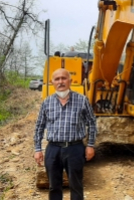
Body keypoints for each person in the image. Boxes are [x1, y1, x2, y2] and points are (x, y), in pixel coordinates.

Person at [34, 68, 97, 200]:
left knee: (76, 185)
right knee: (54, 186)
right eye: (57, 79)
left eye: (64, 78)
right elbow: (39, 126)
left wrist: (90, 145)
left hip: (75, 149)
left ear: (70, 81)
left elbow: (92, 123)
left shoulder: (82, 100)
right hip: (53, 149)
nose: (60, 81)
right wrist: (38, 149)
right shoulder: (47, 102)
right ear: (52, 82)